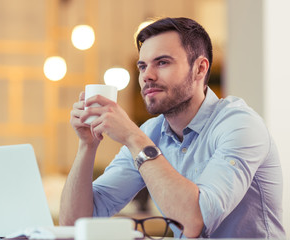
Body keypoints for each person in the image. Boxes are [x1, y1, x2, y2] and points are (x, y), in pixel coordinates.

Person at [59, 17, 286, 238]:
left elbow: (194, 222)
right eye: (142, 66)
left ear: (199, 68)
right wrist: (86, 146)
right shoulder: (150, 133)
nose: (147, 75)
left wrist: (132, 136)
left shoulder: (240, 125)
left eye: (162, 62)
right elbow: (74, 224)